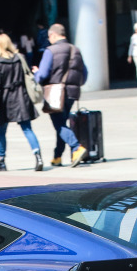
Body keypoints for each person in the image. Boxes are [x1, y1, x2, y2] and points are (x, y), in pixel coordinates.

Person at [33, 23, 88, 167]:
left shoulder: (50, 51)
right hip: (72, 93)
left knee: (59, 124)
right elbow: (84, 74)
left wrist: (36, 74)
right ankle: (57, 156)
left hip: (55, 93)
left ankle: (77, 148)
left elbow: (43, 74)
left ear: (53, 35)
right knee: (62, 122)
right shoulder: (75, 50)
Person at [0, 33, 42, 171]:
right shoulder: (19, 58)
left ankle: (2, 160)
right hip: (21, 96)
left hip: (5, 99)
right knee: (27, 128)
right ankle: (38, 157)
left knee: (1, 131)